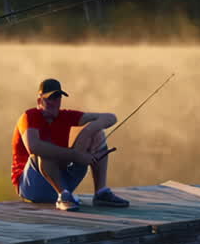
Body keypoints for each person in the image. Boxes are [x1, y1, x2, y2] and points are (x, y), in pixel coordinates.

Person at [11, 78, 129, 210]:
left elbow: (110, 117)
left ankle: (100, 193)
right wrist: (76, 155)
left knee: (97, 134)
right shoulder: (29, 116)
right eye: (49, 98)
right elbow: (34, 146)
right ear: (39, 101)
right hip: (31, 187)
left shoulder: (65, 116)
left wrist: (87, 131)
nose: (54, 102)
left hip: (60, 179)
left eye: (57, 97)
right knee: (43, 151)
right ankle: (64, 196)